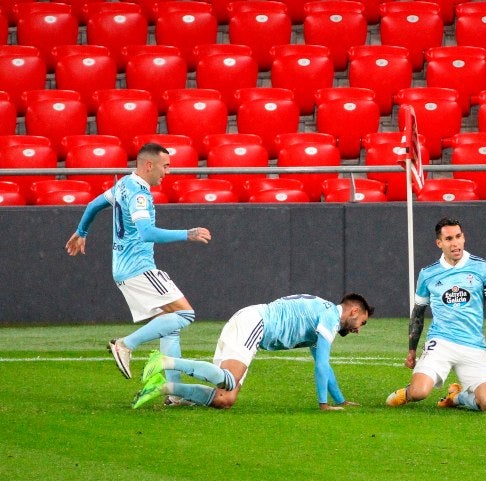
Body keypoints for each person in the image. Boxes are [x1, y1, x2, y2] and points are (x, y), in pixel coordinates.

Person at [65, 143, 211, 398]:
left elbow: (93, 205)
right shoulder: (140, 194)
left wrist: (82, 232)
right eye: (165, 166)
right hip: (138, 268)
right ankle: (125, 344)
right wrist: (188, 234)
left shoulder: (123, 184)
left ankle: (174, 393)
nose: (168, 172)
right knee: (186, 314)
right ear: (148, 165)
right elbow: (147, 233)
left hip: (125, 269)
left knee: (170, 326)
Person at [132, 293, 374, 410]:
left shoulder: (322, 318)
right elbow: (321, 365)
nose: (359, 329)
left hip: (249, 323)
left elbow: (325, 366)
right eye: (362, 322)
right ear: (353, 312)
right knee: (228, 380)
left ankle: (162, 387)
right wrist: (324, 405)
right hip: (255, 322)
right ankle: (163, 361)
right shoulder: (330, 317)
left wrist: (340, 400)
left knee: (225, 398)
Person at [385, 217, 486, 412]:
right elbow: (418, 314)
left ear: (464, 238)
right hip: (441, 342)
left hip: (473, 345)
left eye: (458, 236)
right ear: (439, 243)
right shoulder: (428, 274)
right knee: (420, 393)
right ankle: (408, 392)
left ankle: (457, 398)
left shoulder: (483, 268)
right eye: (448, 239)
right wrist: (412, 351)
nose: (455, 243)